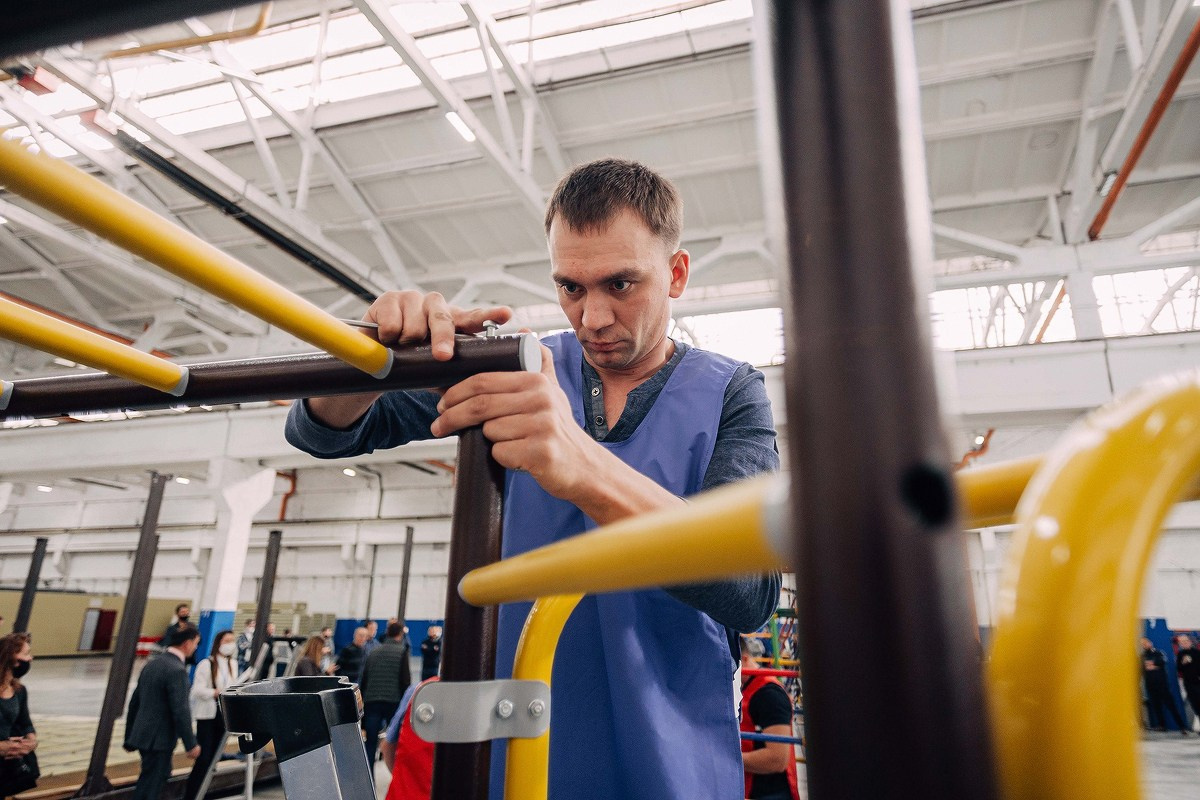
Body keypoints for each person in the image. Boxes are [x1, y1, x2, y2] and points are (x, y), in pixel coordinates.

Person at [286, 158, 780, 799]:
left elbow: (749, 589)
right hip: (520, 743)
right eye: (570, 288)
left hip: (670, 748)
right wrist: (380, 357)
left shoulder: (732, 392)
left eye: (621, 284)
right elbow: (322, 431)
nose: (593, 317)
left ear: (676, 274)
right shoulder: (518, 367)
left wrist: (579, 463)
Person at [124, 626, 202, 800]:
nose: (196, 648)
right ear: (187, 643)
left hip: (143, 736)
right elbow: (180, 710)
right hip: (159, 739)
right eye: (196, 643)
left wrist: (129, 736)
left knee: (150, 779)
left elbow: (135, 702)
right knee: (152, 785)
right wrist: (190, 744)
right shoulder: (177, 671)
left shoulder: (152, 664)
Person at [739, 637, 799, 800]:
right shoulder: (744, 690)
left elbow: (777, 759)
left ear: (744, 659)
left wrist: (726, 758)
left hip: (771, 793)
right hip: (750, 788)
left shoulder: (769, 694)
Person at [184, 630, 240, 800]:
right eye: (226, 641)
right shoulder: (206, 664)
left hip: (223, 715)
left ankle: (204, 791)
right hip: (207, 715)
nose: (230, 644)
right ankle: (192, 794)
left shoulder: (233, 664)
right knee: (204, 758)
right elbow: (196, 690)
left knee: (214, 757)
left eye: (232, 641)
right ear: (218, 643)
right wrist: (215, 692)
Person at [359, 621, 412, 767]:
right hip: (393, 703)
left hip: (372, 703)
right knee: (396, 741)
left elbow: (364, 680)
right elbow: (405, 682)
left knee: (370, 744)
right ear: (400, 634)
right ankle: (396, 778)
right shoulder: (402, 652)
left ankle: (370, 783)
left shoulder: (373, 651)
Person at [381, 677, 436, 800]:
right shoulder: (482, 700)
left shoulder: (417, 691)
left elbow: (387, 746)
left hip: (405, 794)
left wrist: (405, 779)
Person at [0, 633, 38, 799]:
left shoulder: (19, 691)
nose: (30, 658)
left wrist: (32, 741)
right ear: (12, 658)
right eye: (26, 654)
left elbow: (25, 722)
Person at [1140, 637, 1189, 735]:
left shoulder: (1159, 653)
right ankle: (1161, 726)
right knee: (1156, 706)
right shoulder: (1142, 656)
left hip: (1162, 685)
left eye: (1146, 642)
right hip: (1150, 685)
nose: (1145, 645)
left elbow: (1161, 662)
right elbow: (1142, 668)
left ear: (1150, 643)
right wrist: (1152, 665)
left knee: (1171, 706)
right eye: (1143, 644)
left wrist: (1150, 664)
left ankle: (1182, 726)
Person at [1175, 634, 1200, 728]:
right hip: (1188, 683)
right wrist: (1183, 663)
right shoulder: (1180, 654)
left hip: (1198, 682)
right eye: (1181, 642)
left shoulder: (1197, 652)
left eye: (1185, 641)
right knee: (1195, 704)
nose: (1183, 643)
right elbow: (1178, 669)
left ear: (1190, 641)